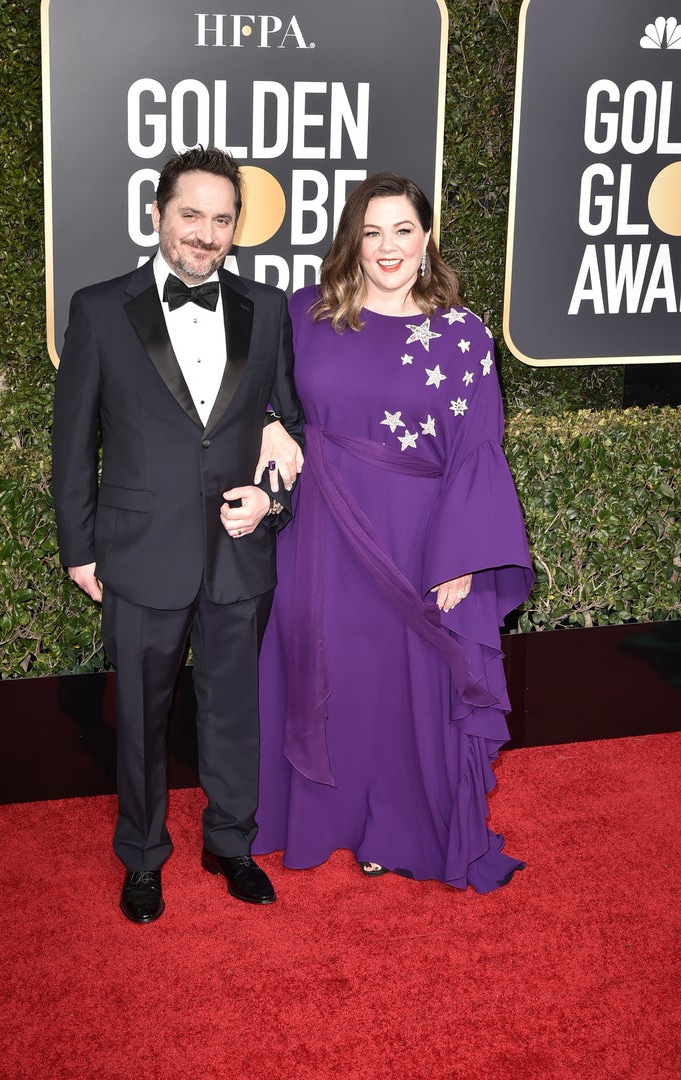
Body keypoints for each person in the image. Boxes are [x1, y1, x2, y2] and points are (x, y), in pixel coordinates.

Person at [253, 172, 534, 893]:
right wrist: (271, 425)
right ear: (353, 238)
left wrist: (465, 558)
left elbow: (478, 448)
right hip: (318, 530)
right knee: (327, 667)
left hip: (418, 537)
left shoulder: (463, 335)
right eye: (372, 231)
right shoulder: (302, 316)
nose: (387, 247)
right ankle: (322, 819)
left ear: (426, 238)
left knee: (406, 685)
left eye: (403, 230)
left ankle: (397, 825)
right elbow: (249, 392)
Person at [52, 146, 304, 923]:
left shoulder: (268, 310)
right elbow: (73, 442)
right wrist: (80, 547)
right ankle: (142, 856)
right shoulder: (100, 308)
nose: (205, 232)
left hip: (237, 552)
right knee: (141, 717)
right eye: (190, 213)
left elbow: (287, 425)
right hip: (137, 551)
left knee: (233, 711)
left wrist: (268, 499)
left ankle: (230, 843)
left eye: (222, 218)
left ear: (238, 228)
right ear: (157, 213)